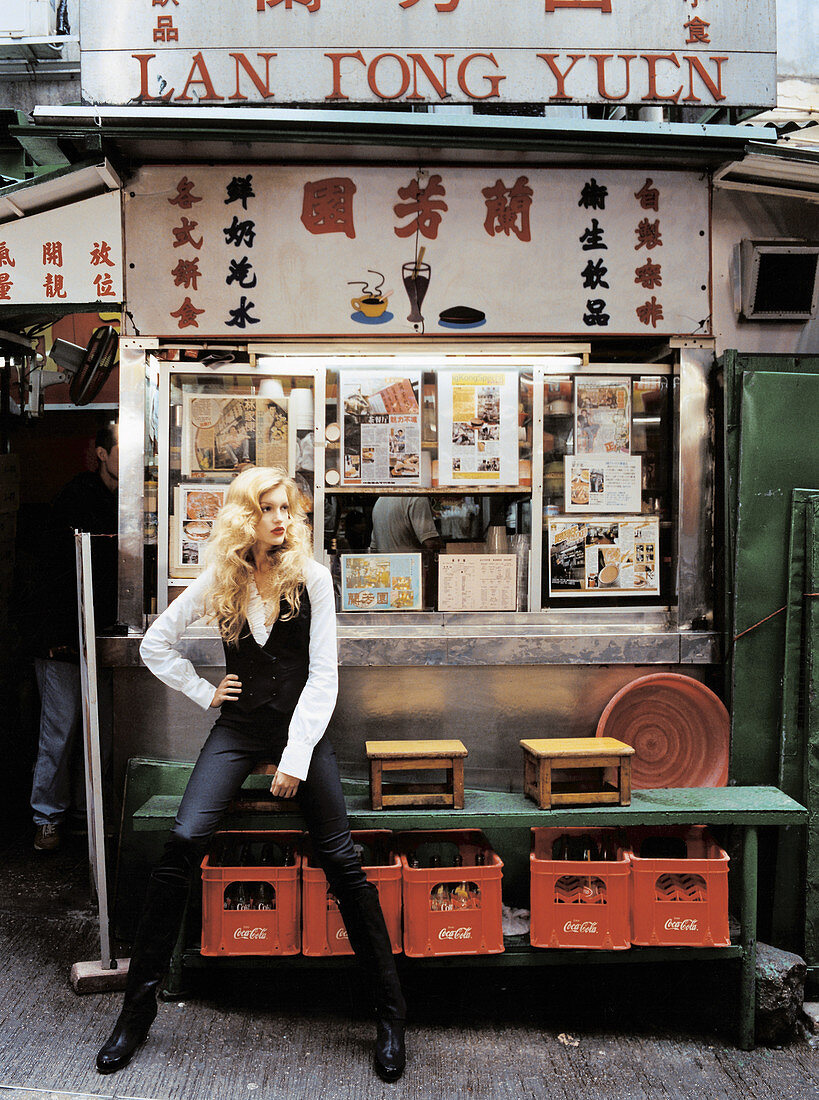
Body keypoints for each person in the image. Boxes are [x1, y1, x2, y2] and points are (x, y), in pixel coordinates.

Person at [96, 466, 406, 1083]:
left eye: (287, 508)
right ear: (245, 517)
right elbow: (155, 644)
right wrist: (204, 691)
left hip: (302, 732)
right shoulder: (222, 578)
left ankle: (391, 1016)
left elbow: (325, 678)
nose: (282, 519)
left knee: (341, 858)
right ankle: (136, 1013)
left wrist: (292, 761)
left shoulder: (313, 580)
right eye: (269, 509)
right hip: (237, 731)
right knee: (182, 841)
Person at [30, 422, 118, 852]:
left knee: (97, 734)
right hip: (62, 637)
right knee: (59, 732)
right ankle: (46, 818)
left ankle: (89, 815)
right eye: (123, 448)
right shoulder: (74, 498)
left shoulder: (129, 500)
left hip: (101, 636)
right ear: (102, 453)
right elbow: (48, 572)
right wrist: (54, 634)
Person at [369, 495, 440, 554]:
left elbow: (374, 546)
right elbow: (430, 543)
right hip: (411, 565)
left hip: (386, 566)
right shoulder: (417, 497)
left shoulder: (380, 500)